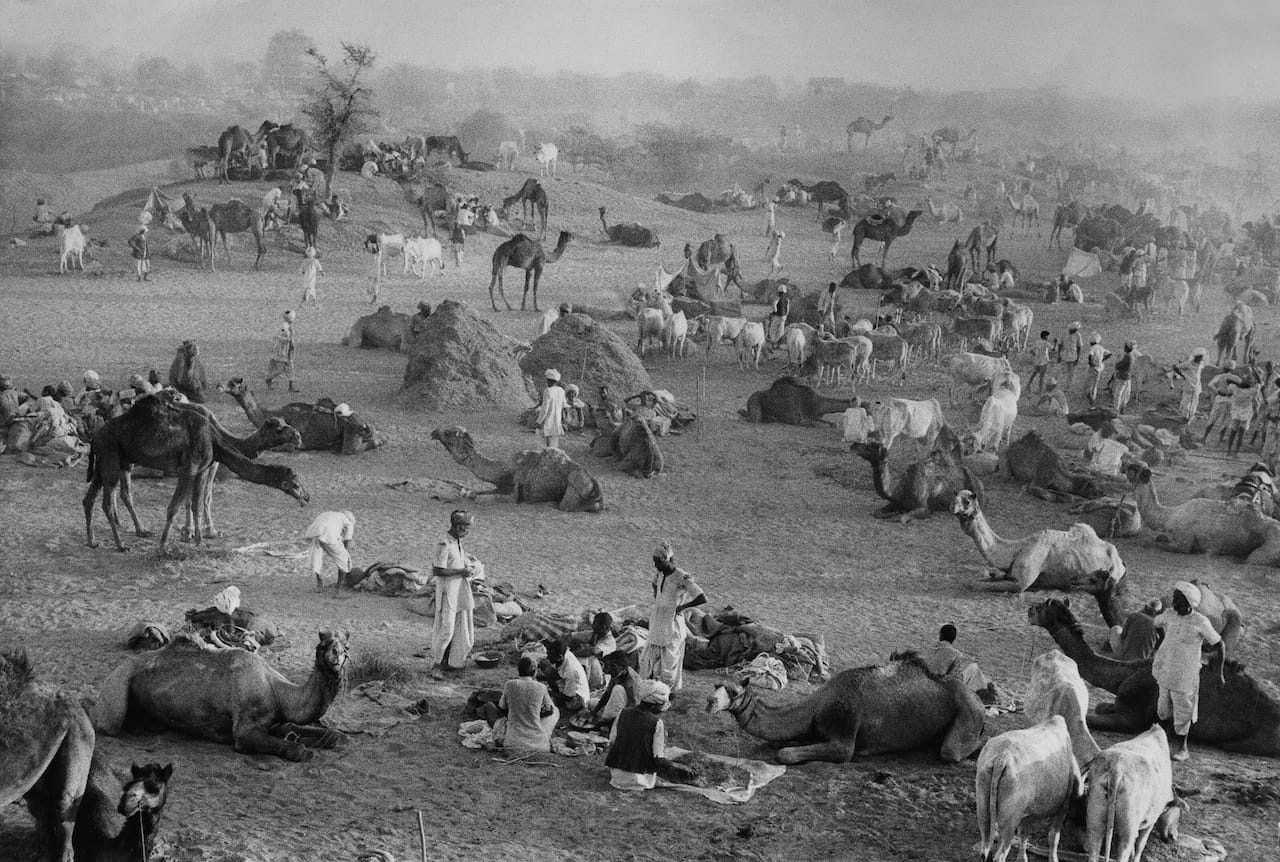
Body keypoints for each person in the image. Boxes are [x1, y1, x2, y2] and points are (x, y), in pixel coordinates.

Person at [1153, 582, 1225, 761]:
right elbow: (1156, 623)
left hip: (1186, 673)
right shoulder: (1169, 615)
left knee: (1183, 709)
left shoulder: (1200, 621)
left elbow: (1219, 644)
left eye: (1177, 598)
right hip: (1166, 667)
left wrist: (1219, 673)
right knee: (1163, 706)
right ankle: (1162, 743)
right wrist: (1162, 640)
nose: (1173, 600)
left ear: (1187, 601)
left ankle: (1182, 748)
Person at [640, 541, 706, 691]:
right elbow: (655, 585)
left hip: (672, 625)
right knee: (648, 658)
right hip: (658, 622)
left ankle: (666, 693)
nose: (655, 565)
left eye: (658, 562)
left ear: (666, 560)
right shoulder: (660, 573)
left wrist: (682, 607)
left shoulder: (681, 576)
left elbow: (701, 597)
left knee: (669, 664)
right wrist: (658, 599)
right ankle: (650, 689)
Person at [430, 510, 479, 675]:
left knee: (459, 626)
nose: (467, 532)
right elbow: (438, 570)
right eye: (466, 528)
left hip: (457, 591)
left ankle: (450, 661)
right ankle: (436, 664)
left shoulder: (457, 542)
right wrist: (460, 572)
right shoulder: (444, 544)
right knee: (447, 629)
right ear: (458, 527)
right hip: (447, 593)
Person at [605, 679, 673, 791]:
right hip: (640, 780)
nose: (662, 710)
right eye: (661, 706)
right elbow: (659, 759)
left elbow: (612, 740)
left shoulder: (623, 712)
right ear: (654, 705)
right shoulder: (656, 722)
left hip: (616, 775)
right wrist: (675, 765)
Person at [491, 657, 558, 753]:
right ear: (534, 671)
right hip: (537, 744)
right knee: (555, 711)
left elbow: (502, 707)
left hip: (512, 742)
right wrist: (533, 713)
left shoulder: (509, 684)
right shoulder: (541, 687)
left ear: (518, 670)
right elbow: (549, 710)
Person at [922, 624, 992, 696]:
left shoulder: (930, 648)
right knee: (974, 667)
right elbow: (952, 678)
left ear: (940, 635)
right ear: (954, 639)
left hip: (925, 682)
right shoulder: (956, 654)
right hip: (940, 687)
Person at [304, 510, 354, 593]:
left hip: (316, 534)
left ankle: (319, 585)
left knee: (317, 559)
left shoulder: (330, 514)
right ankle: (339, 590)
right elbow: (347, 542)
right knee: (344, 559)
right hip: (329, 535)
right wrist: (345, 553)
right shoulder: (349, 522)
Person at [542, 637, 590, 717]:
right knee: (547, 668)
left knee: (548, 671)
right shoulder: (564, 653)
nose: (548, 657)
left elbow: (569, 697)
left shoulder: (571, 671)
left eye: (550, 656)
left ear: (560, 657)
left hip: (577, 700)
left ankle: (561, 705)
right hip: (568, 687)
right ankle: (557, 697)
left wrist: (548, 692)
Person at [1201, 360, 1242, 445]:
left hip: (1220, 398)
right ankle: (1219, 441)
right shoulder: (1237, 378)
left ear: (1224, 367)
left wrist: (1216, 391)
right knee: (1226, 421)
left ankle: (1204, 437)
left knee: (1213, 418)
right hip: (1230, 400)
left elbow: (1210, 384)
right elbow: (1241, 387)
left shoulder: (1219, 376)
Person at [266, 310, 298, 392]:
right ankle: (269, 379)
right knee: (280, 369)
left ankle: (290, 387)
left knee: (291, 368)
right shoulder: (284, 327)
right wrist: (287, 340)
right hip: (282, 351)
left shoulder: (289, 326)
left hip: (288, 351)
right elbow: (279, 338)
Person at [535, 369, 566, 449]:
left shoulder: (548, 391)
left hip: (548, 418)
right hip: (557, 418)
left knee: (542, 437)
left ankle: (544, 453)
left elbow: (545, 408)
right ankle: (552, 454)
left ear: (549, 381)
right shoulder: (561, 390)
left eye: (548, 381)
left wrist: (539, 421)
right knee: (554, 439)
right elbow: (563, 404)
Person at [1173, 349, 1207, 420]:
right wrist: (1183, 376)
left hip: (1197, 387)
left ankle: (1188, 416)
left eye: (1202, 357)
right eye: (1200, 357)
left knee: (1194, 402)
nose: (1201, 358)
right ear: (1195, 357)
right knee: (1186, 402)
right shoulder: (1188, 363)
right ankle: (1185, 417)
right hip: (1189, 386)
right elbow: (1176, 367)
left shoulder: (1201, 364)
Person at [1226, 380, 1256, 457]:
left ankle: (1229, 451)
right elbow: (1259, 383)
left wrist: (1236, 383)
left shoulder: (1235, 388)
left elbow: (1228, 381)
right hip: (1245, 415)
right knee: (1241, 435)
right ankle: (1235, 453)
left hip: (1235, 414)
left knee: (1233, 433)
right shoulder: (1251, 391)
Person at [1084, 333, 1110, 406]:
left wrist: (1090, 362)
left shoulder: (1092, 347)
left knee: (1088, 385)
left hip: (1093, 368)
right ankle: (1093, 399)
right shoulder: (1101, 347)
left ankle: (1091, 401)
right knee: (1095, 385)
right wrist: (1102, 360)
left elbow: (1090, 355)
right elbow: (1109, 354)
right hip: (1099, 368)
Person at [1112, 341, 1136, 414]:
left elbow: (1118, 365)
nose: (1124, 348)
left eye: (1125, 346)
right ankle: (1122, 408)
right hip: (1128, 377)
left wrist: (1116, 363)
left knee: (1118, 393)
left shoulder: (1127, 357)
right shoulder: (1131, 356)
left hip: (1122, 377)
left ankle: (1116, 410)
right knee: (1125, 395)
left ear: (1127, 348)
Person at [1058, 322, 1084, 388]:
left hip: (1073, 356)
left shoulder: (1078, 335)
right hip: (1064, 355)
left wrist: (1077, 358)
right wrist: (1058, 356)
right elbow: (1060, 344)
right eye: (1076, 329)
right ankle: (1061, 385)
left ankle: (1068, 386)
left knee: (1071, 372)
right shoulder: (1064, 333)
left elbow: (1079, 347)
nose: (1076, 330)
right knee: (1063, 371)